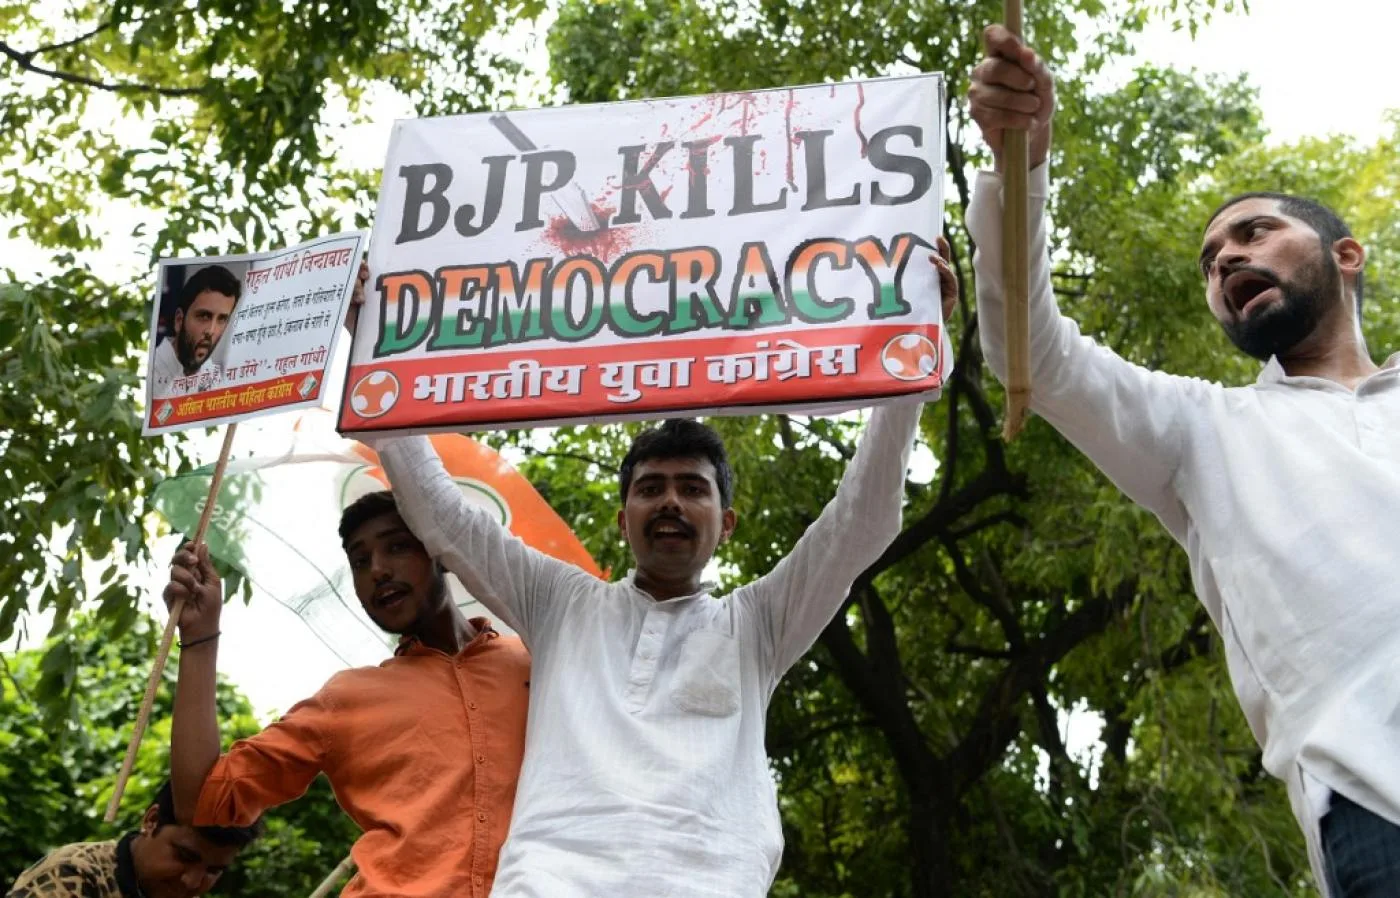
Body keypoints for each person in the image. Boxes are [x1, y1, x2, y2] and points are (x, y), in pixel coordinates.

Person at [354, 243, 958, 896]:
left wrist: (912, 357)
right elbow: (443, 517)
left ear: (725, 523)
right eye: (651, 487)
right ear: (623, 520)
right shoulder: (560, 603)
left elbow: (861, 523)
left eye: (693, 489)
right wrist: (371, 347)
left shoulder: (757, 624)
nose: (670, 500)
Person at [967, 25, 1399, 898]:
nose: (1228, 257)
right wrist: (1022, 166)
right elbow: (1035, 355)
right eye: (1210, 262)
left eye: (1254, 232)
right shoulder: (1206, 433)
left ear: (1345, 257)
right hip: (1376, 802)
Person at [162, 492, 531, 898]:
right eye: (359, 561)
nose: (377, 570)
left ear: (440, 553)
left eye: (397, 546)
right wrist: (199, 636)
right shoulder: (347, 699)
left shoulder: (536, 661)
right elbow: (201, 798)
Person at [6, 781, 260, 898]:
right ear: (151, 821)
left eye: (213, 871)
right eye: (185, 856)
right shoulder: (74, 874)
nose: (192, 882)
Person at [150, 265, 241, 398]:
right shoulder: (151, 370)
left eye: (221, 319)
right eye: (204, 316)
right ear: (179, 320)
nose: (211, 331)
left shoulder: (214, 379)